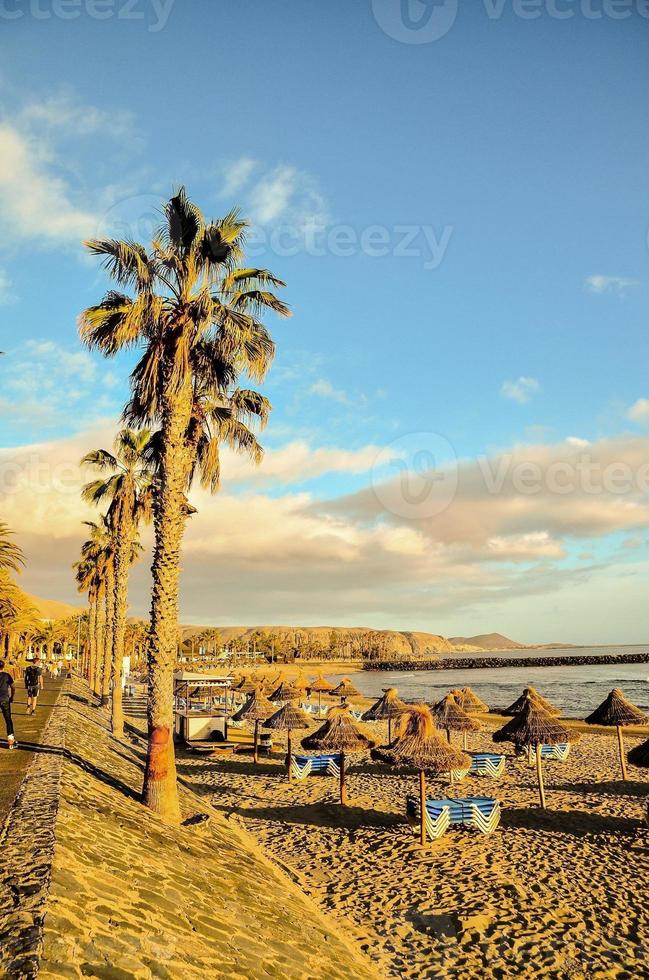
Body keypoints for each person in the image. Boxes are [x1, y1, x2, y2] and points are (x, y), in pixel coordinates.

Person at [0, 660, 16, 749]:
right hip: (5, 700)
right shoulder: (7, 676)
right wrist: (12, 697)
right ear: (4, 666)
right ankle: (11, 741)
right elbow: (13, 687)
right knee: (8, 719)